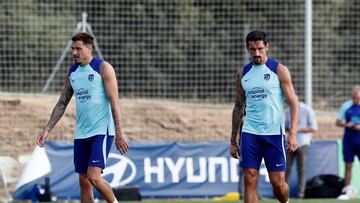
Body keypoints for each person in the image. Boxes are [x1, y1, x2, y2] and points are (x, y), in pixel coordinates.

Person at [36, 32, 128, 203]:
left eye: (78, 49)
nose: (74, 53)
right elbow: (62, 102)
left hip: (101, 131)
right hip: (81, 133)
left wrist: (119, 132)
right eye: (72, 49)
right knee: (84, 182)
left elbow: (115, 102)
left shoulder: (103, 68)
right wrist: (47, 129)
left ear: (89, 48)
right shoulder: (72, 72)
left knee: (94, 177)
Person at [229, 31, 298, 203]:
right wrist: (232, 140)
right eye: (252, 49)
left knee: (278, 185)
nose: (256, 53)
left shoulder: (279, 70)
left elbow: (294, 103)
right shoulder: (242, 74)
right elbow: (238, 107)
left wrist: (293, 133)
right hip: (250, 132)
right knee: (249, 177)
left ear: (267, 47)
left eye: (260, 48)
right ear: (247, 49)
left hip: (274, 133)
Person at [285, 101, 318, 199]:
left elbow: (314, 128)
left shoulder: (308, 110)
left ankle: (301, 194)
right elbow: (285, 125)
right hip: (290, 143)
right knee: (286, 169)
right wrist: (290, 129)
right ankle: (283, 193)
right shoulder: (288, 110)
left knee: (301, 169)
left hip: (302, 143)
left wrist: (297, 129)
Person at [336, 85, 360, 199]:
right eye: (354, 98)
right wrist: (347, 124)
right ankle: (347, 190)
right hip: (349, 140)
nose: (355, 100)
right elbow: (338, 122)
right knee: (348, 165)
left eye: (358, 98)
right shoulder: (346, 106)